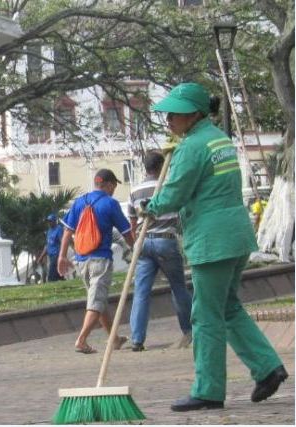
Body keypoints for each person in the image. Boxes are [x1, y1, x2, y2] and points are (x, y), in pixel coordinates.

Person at [144, 82, 287, 412]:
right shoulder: (218, 140)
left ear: (193, 114)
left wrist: (150, 208)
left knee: (205, 316)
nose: (168, 120)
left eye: (174, 114)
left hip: (213, 240)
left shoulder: (192, 147)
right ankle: (268, 368)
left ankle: (208, 390)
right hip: (235, 236)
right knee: (228, 308)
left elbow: (175, 193)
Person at [57, 169, 135, 354]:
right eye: (114, 186)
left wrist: (61, 256)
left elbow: (68, 231)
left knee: (98, 300)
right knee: (96, 302)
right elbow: (126, 233)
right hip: (100, 259)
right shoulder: (110, 204)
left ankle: (114, 339)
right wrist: (136, 249)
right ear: (108, 184)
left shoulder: (80, 202)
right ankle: (82, 339)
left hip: (81, 260)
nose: (114, 190)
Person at [128, 151, 192, 352]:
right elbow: (181, 214)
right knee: (178, 287)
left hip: (144, 242)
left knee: (141, 291)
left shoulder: (135, 191)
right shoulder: (167, 188)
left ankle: (137, 338)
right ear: (162, 166)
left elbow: (132, 222)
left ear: (146, 168)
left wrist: (134, 244)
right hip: (165, 240)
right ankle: (189, 330)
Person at [36, 214, 64, 282]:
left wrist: (62, 255)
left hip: (57, 254)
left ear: (55, 221)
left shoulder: (59, 229)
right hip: (51, 256)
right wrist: (41, 257)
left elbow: (62, 242)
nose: (49, 223)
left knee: (51, 276)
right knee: (58, 275)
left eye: (50, 221)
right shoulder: (49, 231)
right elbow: (47, 245)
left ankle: (52, 282)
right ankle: (62, 282)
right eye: (48, 221)